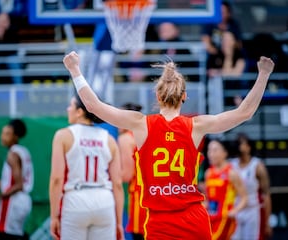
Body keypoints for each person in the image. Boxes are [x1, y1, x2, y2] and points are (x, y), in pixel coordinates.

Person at [63, 50, 274, 239]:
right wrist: (263, 74)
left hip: (159, 222)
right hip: (194, 220)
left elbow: (93, 106)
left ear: (157, 95)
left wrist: (75, 70)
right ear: (184, 97)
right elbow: (244, 112)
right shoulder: (196, 126)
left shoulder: (140, 124)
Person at [49, 94, 124, 240]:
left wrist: (54, 217)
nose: (68, 109)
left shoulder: (63, 135)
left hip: (75, 201)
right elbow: (118, 184)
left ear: (79, 112)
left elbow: (57, 179)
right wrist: (119, 222)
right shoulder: (109, 139)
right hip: (104, 201)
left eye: (71, 105)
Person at [0, 119, 34, 240]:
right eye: (2, 133)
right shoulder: (24, 151)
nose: (2, 137)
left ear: (16, 136)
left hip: (13, 201)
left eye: (7, 134)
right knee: (15, 234)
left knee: (6, 234)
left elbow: (18, 185)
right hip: (24, 200)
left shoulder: (12, 154)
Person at [230, 133, 272, 240]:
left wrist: (267, 222)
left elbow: (266, 195)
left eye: (243, 144)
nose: (241, 147)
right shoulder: (231, 165)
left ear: (249, 147)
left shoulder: (257, 166)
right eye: (239, 144)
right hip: (236, 209)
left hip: (252, 210)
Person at [204, 139, 248, 240]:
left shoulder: (231, 173)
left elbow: (244, 197)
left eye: (215, 150)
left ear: (224, 153)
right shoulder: (208, 173)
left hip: (225, 218)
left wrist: (235, 210)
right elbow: (207, 198)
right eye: (209, 150)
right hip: (210, 218)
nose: (211, 154)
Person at [118, 102, 147, 240]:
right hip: (156, 193)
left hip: (139, 196)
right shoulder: (145, 134)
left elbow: (126, 175)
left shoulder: (125, 139)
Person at [0, 0, 27, 85]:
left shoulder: (12, 30)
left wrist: (4, 32)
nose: (2, 23)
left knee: (15, 65)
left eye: (5, 21)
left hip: (10, 55)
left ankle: (20, 91)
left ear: (8, 22)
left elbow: (14, 46)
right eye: (0, 20)